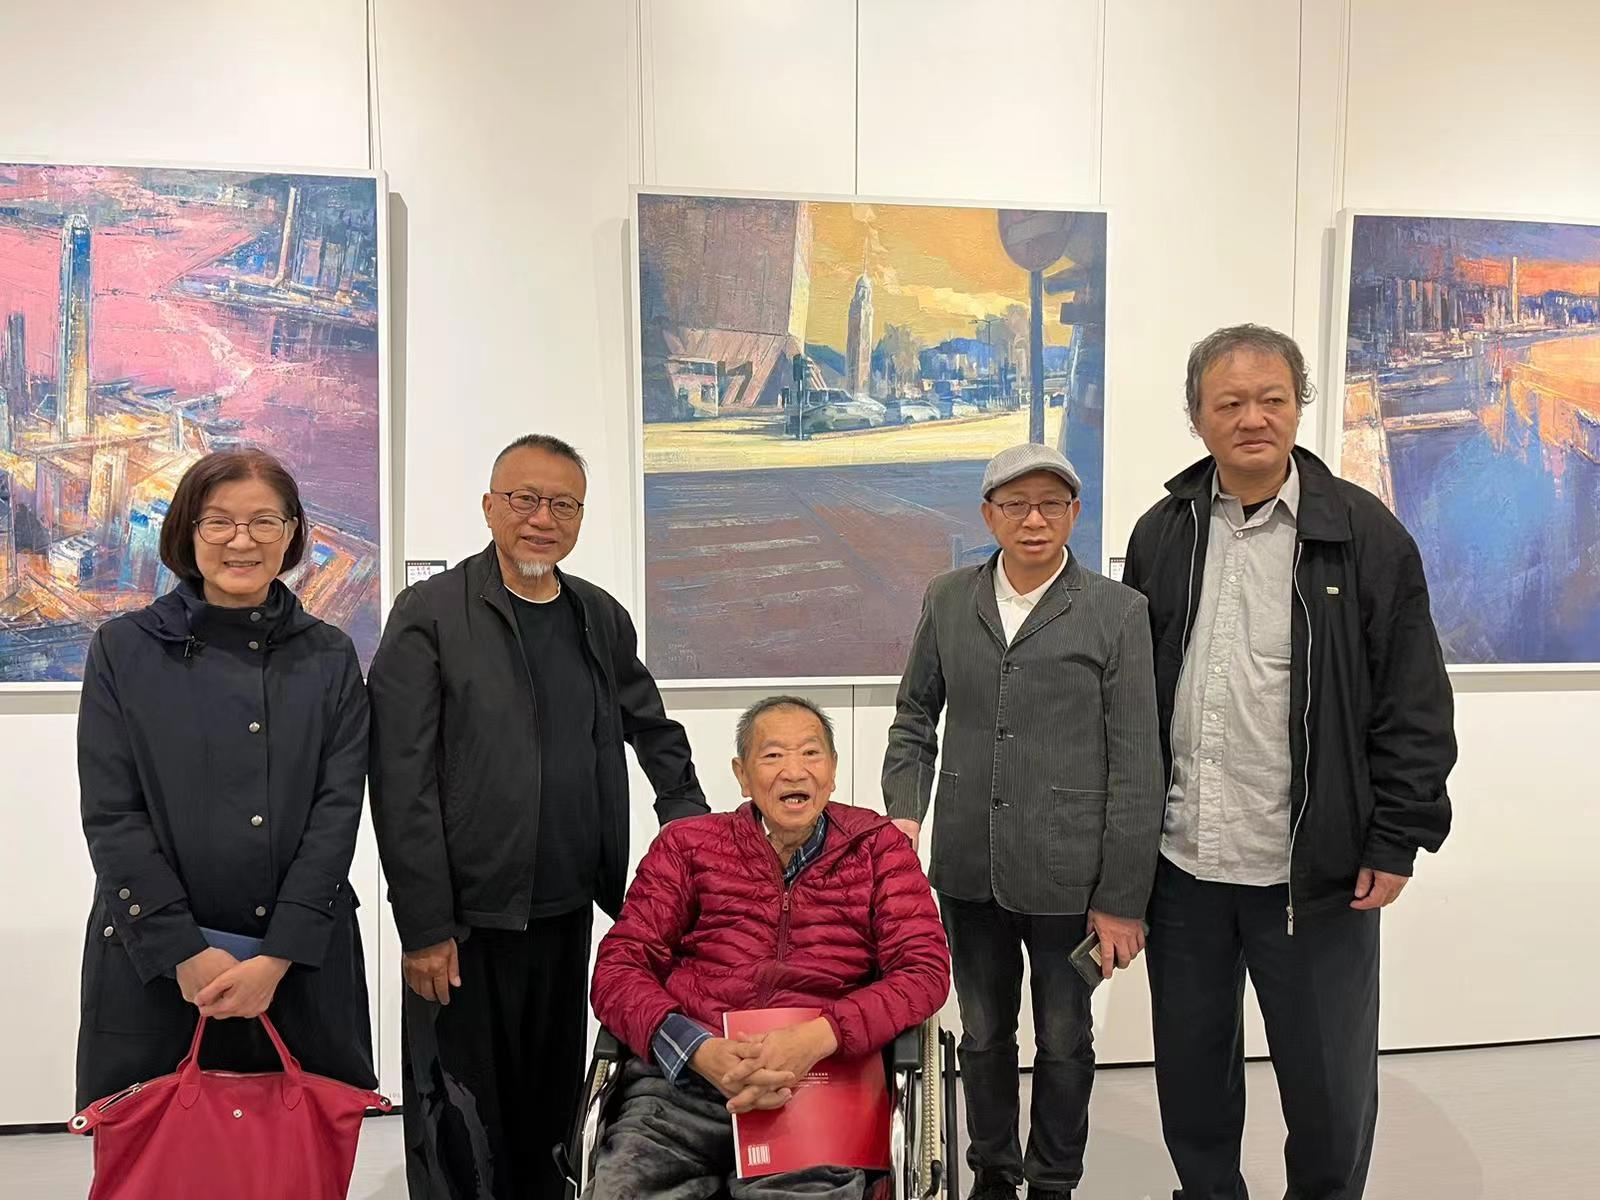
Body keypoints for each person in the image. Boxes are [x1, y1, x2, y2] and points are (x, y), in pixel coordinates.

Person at [1123, 324, 1456, 1200]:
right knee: (1192, 1082)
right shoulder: (1162, 533)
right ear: (1197, 417)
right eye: (1229, 402)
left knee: (1329, 1090)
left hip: (1313, 871)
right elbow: (1132, 699)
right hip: (1184, 866)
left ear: (1299, 405)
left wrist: (1397, 837)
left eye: (1271, 399)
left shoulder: (1364, 536)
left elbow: (1414, 700)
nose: (1253, 418)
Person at [368, 432, 708, 1200]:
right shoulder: (431, 614)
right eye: (524, 499)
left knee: (549, 1116)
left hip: (566, 909)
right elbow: (399, 778)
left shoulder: (598, 616)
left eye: (563, 505)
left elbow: (652, 728)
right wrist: (423, 925)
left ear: (581, 517)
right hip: (462, 924)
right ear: (490, 507)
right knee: (460, 1124)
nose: (542, 519)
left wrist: (691, 826)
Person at [882, 443, 1165, 1200]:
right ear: (989, 515)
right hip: (968, 866)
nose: (1033, 520)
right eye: (1015, 505)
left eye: (1050, 504)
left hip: (1072, 873)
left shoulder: (1117, 611)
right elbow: (915, 716)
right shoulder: (948, 598)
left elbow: (1138, 763)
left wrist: (1123, 898)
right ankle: (994, 1172)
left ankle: (1053, 1181)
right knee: (981, 1032)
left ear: (1075, 513)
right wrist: (904, 814)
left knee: (1066, 1038)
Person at [75, 449, 374, 1110]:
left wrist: (276, 957)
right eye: (219, 521)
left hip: (298, 959)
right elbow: (113, 815)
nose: (242, 541)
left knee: (294, 1152)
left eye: (265, 521)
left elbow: (336, 814)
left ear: (291, 533)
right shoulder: (123, 649)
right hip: (156, 961)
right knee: (159, 1152)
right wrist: (185, 951)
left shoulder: (329, 655)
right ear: (187, 530)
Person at [585, 695, 951, 1200]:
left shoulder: (878, 849)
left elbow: (924, 971)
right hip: (684, 1085)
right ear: (742, 774)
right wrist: (698, 1050)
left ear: (833, 770)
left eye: (810, 753)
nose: (794, 771)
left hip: (820, 1080)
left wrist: (819, 1037)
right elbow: (619, 967)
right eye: (773, 755)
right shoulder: (687, 846)